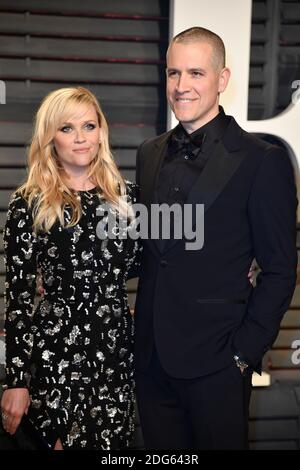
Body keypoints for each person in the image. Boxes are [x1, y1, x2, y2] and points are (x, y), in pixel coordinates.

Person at [134, 27, 297, 449]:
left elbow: (280, 269)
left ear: (222, 79)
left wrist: (243, 354)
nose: (181, 86)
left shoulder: (262, 161)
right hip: (152, 361)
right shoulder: (148, 153)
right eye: (173, 73)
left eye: (195, 73)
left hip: (217, 363)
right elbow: (150, 248)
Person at [0, 87, 140, 450]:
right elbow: (18, 297)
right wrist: (16, 379)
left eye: (89, 126)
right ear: (50, 138)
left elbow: (161, 267)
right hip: (56, 358)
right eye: (67, 128)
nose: (80, 137)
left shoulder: (128, 200)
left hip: (115, 357)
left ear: (101, 132)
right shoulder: (29, 203)